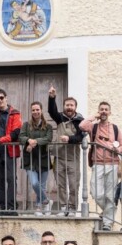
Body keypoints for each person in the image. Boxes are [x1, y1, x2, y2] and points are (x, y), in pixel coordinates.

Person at [79, 101, 122, 231]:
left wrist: (118, 150)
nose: (104, 111)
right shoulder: (93, 127)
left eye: (106, 109)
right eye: (101, 109)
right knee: (96, 192)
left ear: (110, 112)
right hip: (98, 164)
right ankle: (108, 213)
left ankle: (107, 223)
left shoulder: (115, 128)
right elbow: (82, 126)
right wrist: (94, 116)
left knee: (110, 194)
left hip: (113, 164)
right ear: (99, 111)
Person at [47, 86, 84, 216]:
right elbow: (51, 111)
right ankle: (63, 207)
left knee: (74, 185)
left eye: (71, 105)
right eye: (67, 105)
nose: (69, 107)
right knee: (61, 185)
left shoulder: (80, 121)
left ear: (75, 107)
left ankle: (73, 208)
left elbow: (81, 137)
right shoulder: (59, 118)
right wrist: (52, 98)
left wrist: (69, 138)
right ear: (64, 106)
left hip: (73, 158)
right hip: (59, 157)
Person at [19, 101, 53, 215]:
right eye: (33, 110)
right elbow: (21, 137)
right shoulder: (26, 125)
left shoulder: (48, 126)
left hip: (43, 158)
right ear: (31, 111)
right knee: (34, 183)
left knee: (42, 185)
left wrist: (35, 142)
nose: (35, 112)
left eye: (37, 109)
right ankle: (46, 201)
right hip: (30, 158)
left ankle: (38, 207)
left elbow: (48, 139)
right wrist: (29, 140)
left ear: (41, 110)